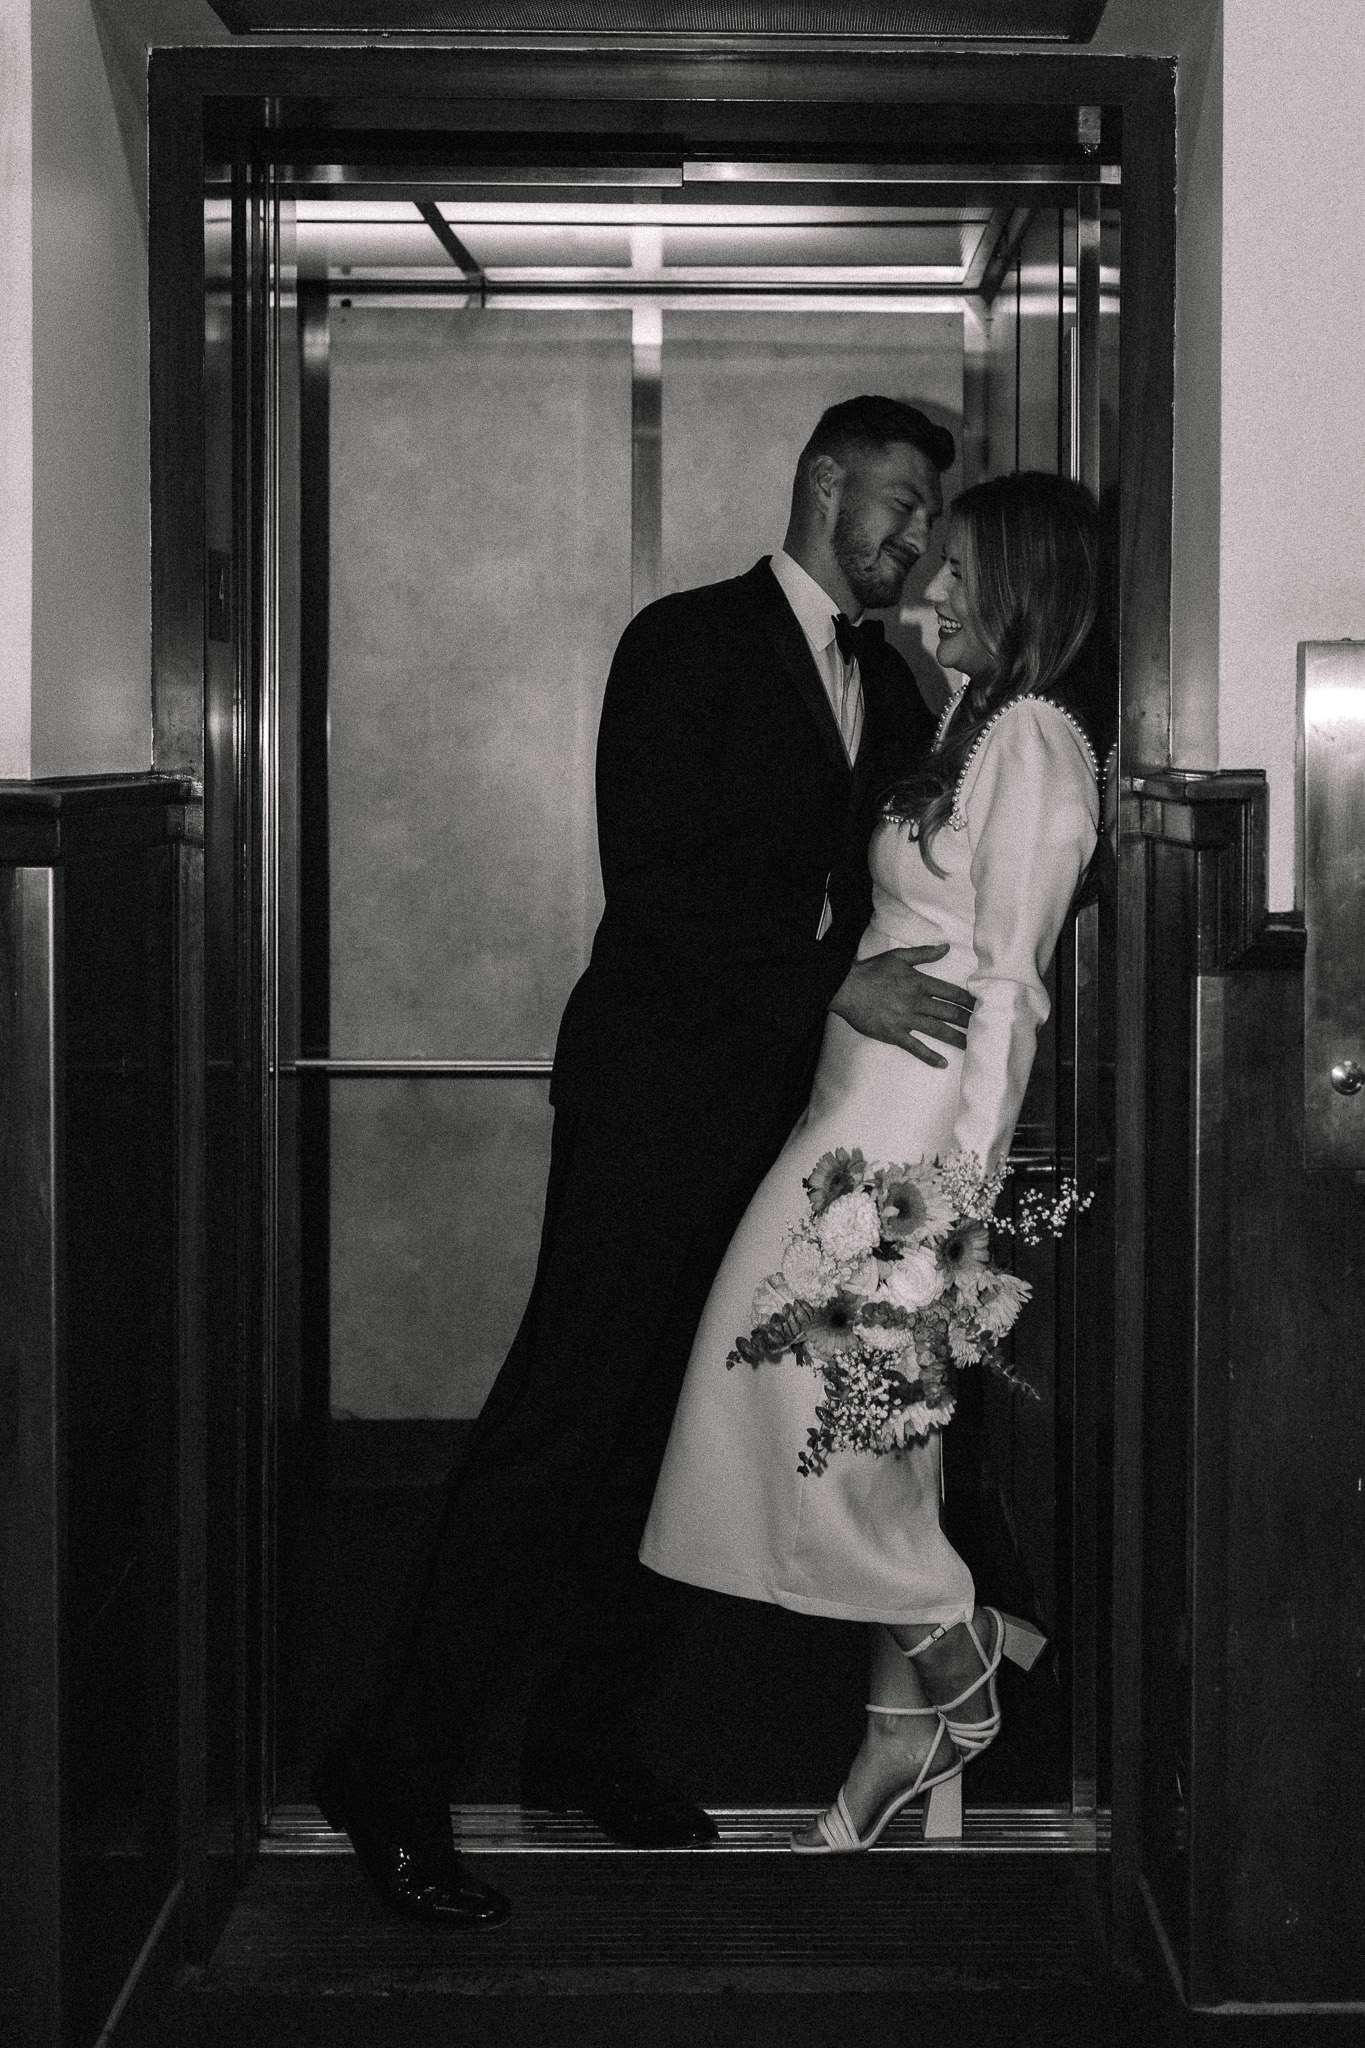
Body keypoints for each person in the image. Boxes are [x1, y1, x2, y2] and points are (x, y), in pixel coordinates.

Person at [313, 396, 977, 1924]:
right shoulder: (684, 641)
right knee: (559, 1430)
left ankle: (582, 1738)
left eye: (927, 513)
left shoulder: (886, 677)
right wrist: (832, 981)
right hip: (653, 1103)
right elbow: (659, 882)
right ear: (821, 483)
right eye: (894, 499)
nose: (910, 534)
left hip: (789, 1124)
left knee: (680, 1445)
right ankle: (390, 1767)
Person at [640, 470, 1102, 1852]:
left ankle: (951, 1662)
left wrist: (954, 1209)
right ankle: (909, 1719)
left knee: (811, 1416)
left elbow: (1012, 993)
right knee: (847, 1427)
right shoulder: (965, 718)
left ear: (1017, 587)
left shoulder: (1030, 737)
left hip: (905, 1154)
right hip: (844, 1123)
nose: (927, 585)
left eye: (959, 565)